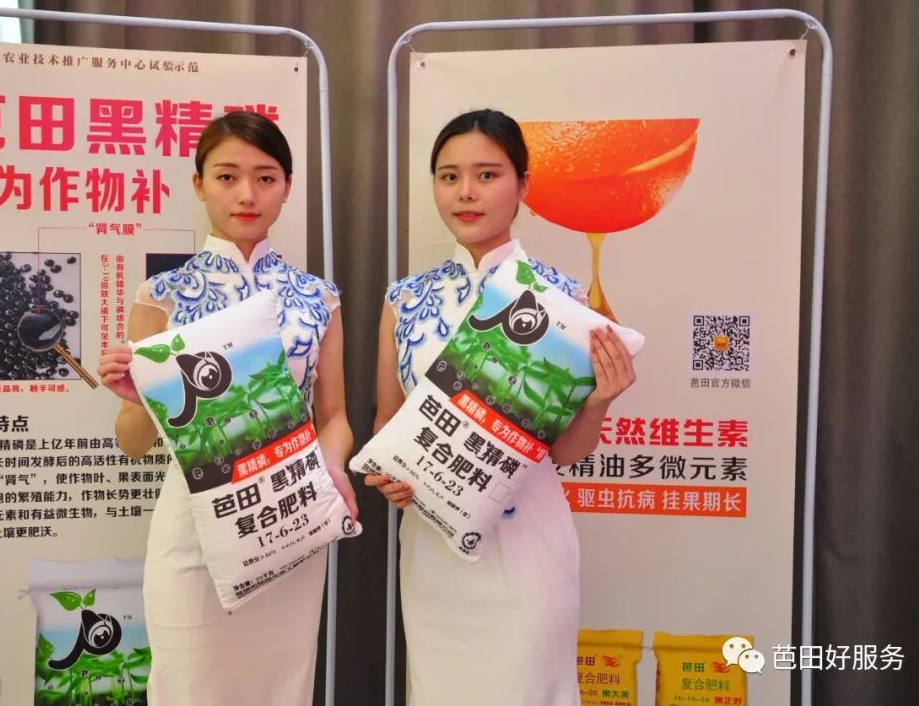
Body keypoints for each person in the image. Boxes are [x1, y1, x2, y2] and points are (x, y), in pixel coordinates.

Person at [366, 108, 637, 705]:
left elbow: (565, 451)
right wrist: (389, 476)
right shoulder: (405, 300)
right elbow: (388, 420)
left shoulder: (563, 299)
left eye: (487, 175)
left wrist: (598, 402)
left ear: (523, 185)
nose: (465, 192)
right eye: (449, 176)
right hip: (433, 552)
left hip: (527, 550)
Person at [96, 110, 357, 705]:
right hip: (191, 527)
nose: (246, 194)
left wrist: (330, 468)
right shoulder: (160, 297)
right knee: (189, 685)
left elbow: (336, 417)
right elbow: (133, 444)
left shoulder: (317, 299)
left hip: (286, 522)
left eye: (265, 178)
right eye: (227, 176)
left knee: (280, 687)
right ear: (199, 185)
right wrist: (138, 401)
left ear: (287, 187)